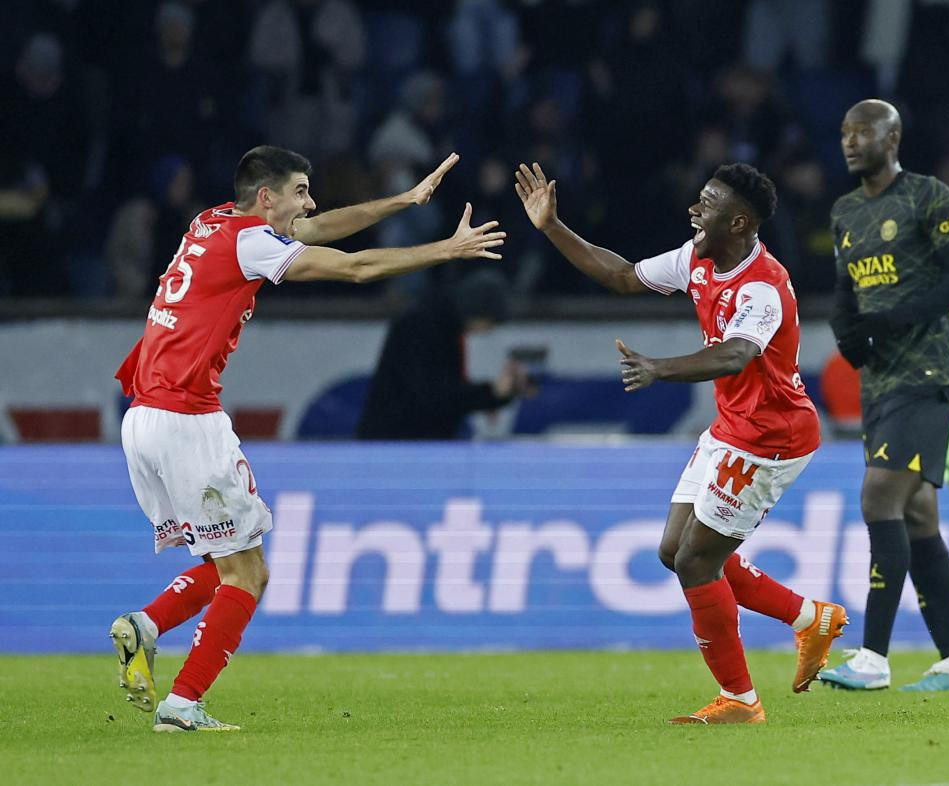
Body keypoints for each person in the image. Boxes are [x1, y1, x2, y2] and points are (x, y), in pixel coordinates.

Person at [111, 146, 504, 732]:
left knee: (231, 564)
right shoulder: (251, 242)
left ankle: (145, 626)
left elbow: (316, 228)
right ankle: (182, 704)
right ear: (267, 198)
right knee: (250, 575)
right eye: (300, 189)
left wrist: (403, 200)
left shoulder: (212, 221)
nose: (311, 200)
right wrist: (445, 250)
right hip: (187, 420)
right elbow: (353, 269)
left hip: (142, 415)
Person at [515, 160, 847, 725]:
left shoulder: (763, 287)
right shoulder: (696, 259)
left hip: (771, 439)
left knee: (697, 561)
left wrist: (658, 368)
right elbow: (621, 275)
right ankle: (808, 617)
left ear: (739, 221)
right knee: (675, 553)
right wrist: (551, 226)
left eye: (708, 203)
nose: (695, 210)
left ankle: (741, 700)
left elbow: (737, 354)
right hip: (731, 428)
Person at [818, 100, 949, 692]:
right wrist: (847, 335)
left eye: (862, 131)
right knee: (917, 518)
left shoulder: (927, 196)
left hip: (928, 377)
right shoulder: (844, 213)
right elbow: (845, 291)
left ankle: (873, 657)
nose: (850, 141)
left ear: (893, 137)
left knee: (878, 497)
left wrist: (892, 322)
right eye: (844, 132)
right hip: (880, 384)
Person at [356, 269, 528, 440]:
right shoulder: (422, 326)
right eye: (489, 323)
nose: (487, 331)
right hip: (397, 443)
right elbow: (435, 396)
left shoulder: (440, 324)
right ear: (478, 311)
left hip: (409, 441)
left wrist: (495, 395)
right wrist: (491, 393)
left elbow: (443, 391)